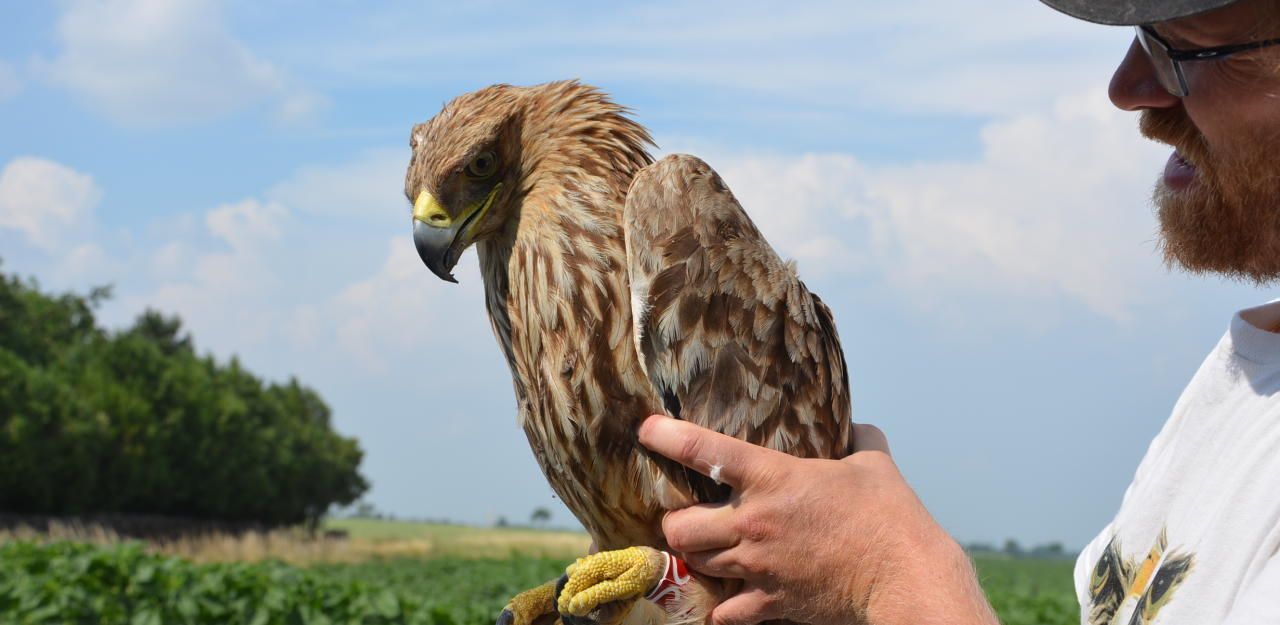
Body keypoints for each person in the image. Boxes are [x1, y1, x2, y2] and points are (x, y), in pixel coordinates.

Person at [635, 0, 1280, 623]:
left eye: (1188, 47)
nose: (1129, 86)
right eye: (1143, 36)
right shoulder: (1245, 381)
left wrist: (889, 573)